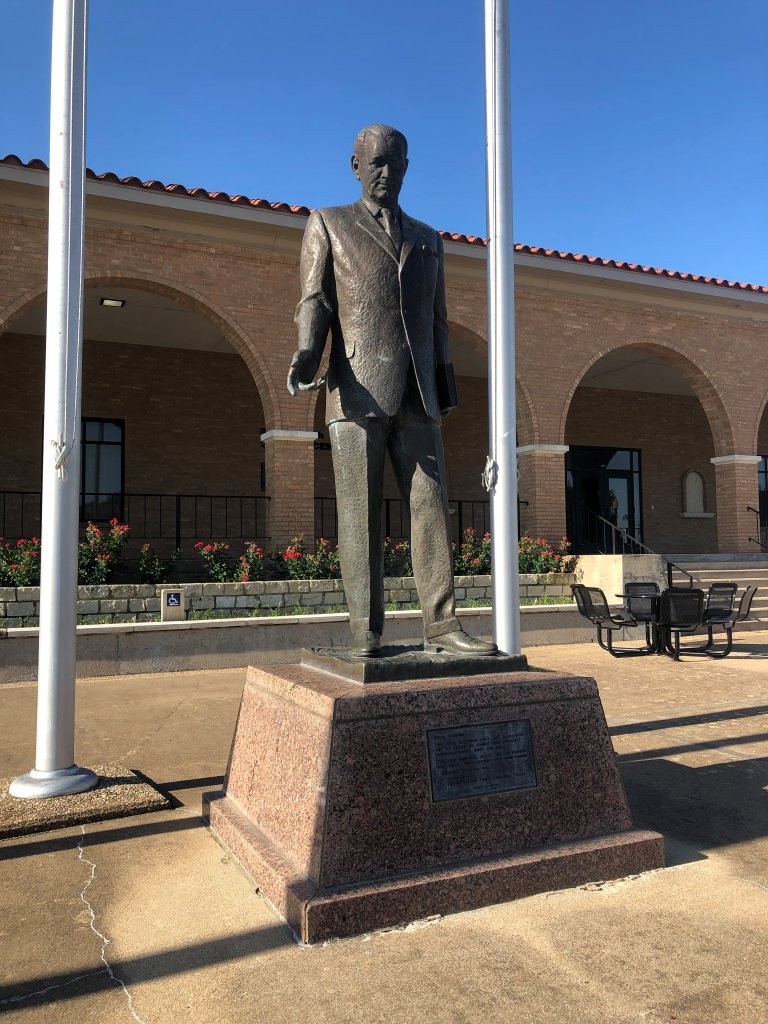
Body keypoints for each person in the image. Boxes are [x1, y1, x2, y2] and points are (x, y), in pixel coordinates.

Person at [288, 124, 497, 659]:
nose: (387, 172)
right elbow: (315, 297)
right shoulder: (328, 224)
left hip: (418, 392)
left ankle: (442, 625)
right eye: (377, 162)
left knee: (430, 507)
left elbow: (438, 319)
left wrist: (444, 380)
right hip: (356, 389)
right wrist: (309, 350)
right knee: (360, 514)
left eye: (396, 163)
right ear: (355, 165)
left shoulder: (428, 237)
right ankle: (366, 632)